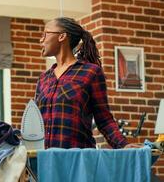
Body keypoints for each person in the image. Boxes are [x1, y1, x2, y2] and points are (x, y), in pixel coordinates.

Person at [35, 17, 138, 149]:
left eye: (45, 34)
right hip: (44, 160)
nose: (41, 39)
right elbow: (35, 123)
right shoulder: (44, 78)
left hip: (79, 159)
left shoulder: (91, 72)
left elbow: (104, 119)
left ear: (62, 36)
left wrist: (124, 145)